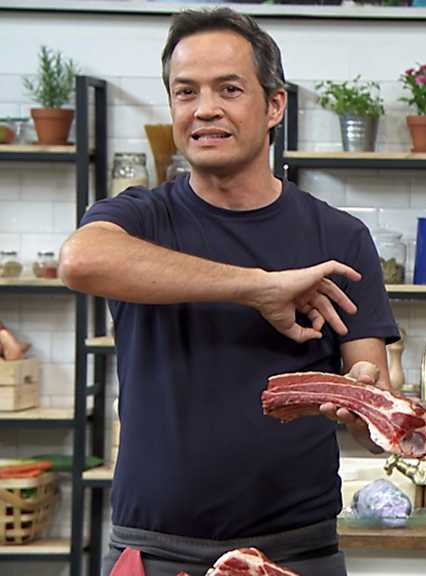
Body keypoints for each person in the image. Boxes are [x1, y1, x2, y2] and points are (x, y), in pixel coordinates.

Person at [58, 8, 398, 576]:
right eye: (185, 92)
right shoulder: (139, 219)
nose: (204, 108)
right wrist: (258, 288)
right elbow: (80, 260)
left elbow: (377, 410)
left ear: (274, 106)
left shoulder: (338, 237)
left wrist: (365, 405)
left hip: (298, 552)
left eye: (229, 89)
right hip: (156, 552)